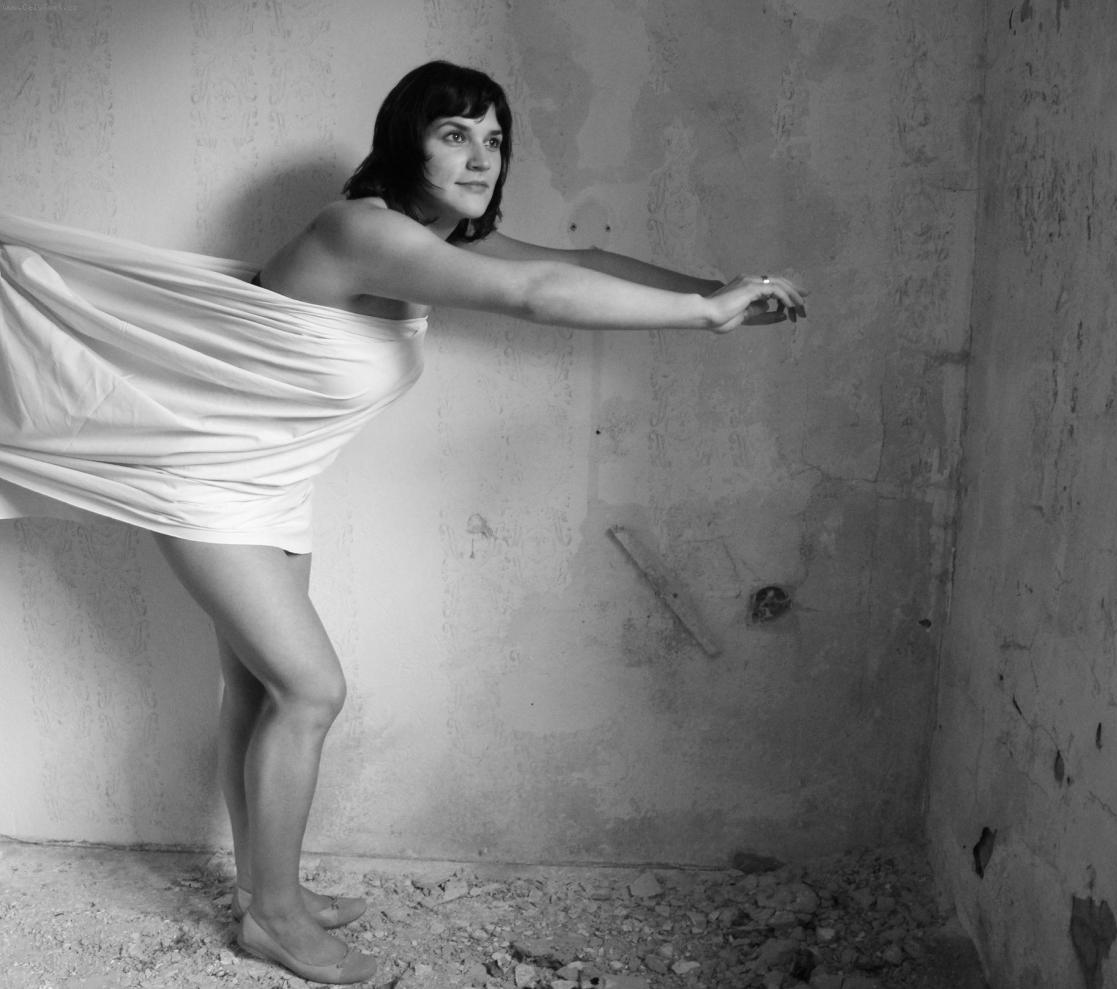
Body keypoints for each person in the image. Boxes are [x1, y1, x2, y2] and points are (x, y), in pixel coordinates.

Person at [0, 60, 806, 985]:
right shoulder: (362, 231)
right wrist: (701, 315)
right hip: (203, 480)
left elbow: (576, 264)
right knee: (311, 691)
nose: (481, 157)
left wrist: (720, 289)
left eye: (494, 138)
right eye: (454, 134)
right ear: (404, 140)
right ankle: (273, 920)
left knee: (258, 691)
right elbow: (536, 294)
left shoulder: (435, 239)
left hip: (273, 482)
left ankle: (270, 888)